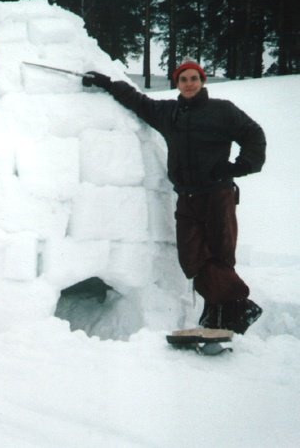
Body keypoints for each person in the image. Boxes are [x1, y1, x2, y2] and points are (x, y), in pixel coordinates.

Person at [82, 60, 266, 334]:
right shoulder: (169, 113)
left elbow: (254, 135)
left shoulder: (222, 110)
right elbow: (138, 101)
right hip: (187, 197)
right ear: (177, 84)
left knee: (220, 254)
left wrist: (239, 166)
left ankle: (221, 313)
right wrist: (108, 84)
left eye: (194, 78)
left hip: (218, 194)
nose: (189, 83)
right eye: (183, 79)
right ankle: (234, 307)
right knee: (191, 257)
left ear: (202, 82)